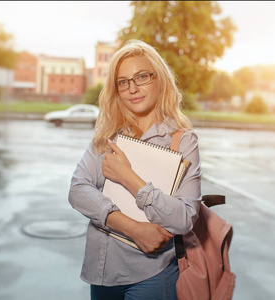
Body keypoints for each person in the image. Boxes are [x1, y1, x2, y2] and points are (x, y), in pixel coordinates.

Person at [68, 39, 202, 300]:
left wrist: (127, 176)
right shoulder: (107, 135)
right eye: (123, 82)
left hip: (151, 276)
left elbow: (184, 219)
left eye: (142, 77)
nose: (133, 88)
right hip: (102, 273)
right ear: (116, 90)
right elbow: (77, 189)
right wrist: (133, 229)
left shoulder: (183, 141)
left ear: (159, 79)